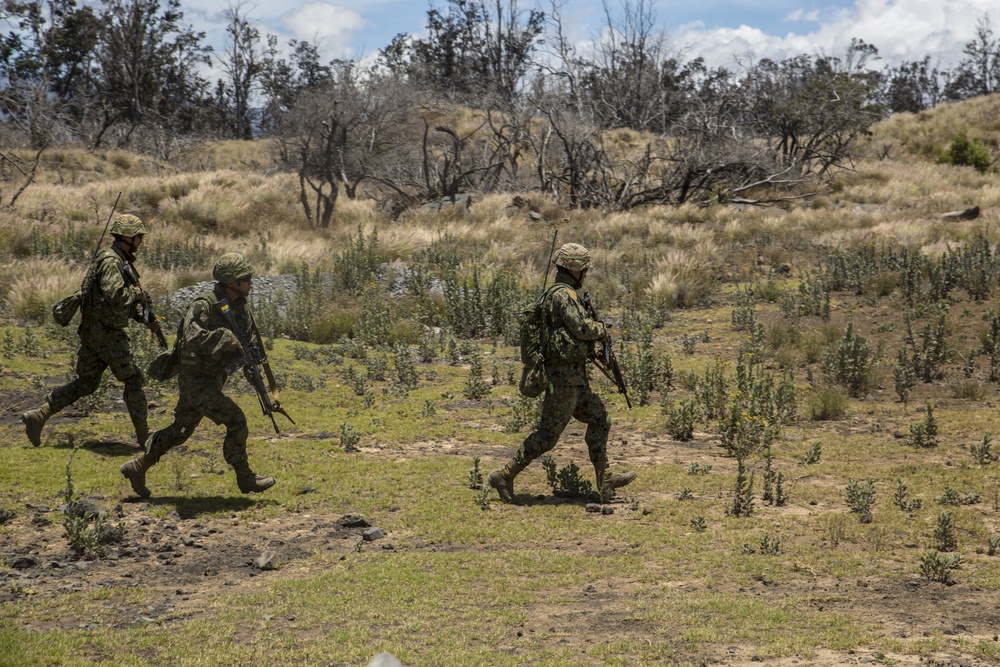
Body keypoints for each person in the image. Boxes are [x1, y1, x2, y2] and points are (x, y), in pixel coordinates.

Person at [488, 242, 637, 503]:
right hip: (564, 380)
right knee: (547, 436)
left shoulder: (562, 294)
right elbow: (581, 328)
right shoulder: (562, 295)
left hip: (574, 378)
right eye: (584, 270)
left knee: (601, 419)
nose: (586, 275)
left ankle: (606, 480)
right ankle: (505, 475)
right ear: (573, 269)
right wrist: (601, 329)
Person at [119, 252, 275, 498]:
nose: (250, 282)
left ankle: (138, 467)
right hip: (195, 380)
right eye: (246, 278)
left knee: (180, 431)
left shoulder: (239, 306)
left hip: (212, 378)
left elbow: (245, 340)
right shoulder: (204, 305)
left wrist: (249, 365)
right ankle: (245, 478)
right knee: (236, 420)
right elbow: (191, 339)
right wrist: (224, 338)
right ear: (231, 281)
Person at [22, 214, 158, 447]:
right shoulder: (112, 262)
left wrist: (145, 319)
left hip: (95, 332)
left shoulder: (118, 260)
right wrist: (137, 294)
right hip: (106, 334)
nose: (141, 240)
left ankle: (39, 415)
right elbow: (116, 296)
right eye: (138, 236)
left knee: (86, 383)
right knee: (134, 379)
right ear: (127, 237)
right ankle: (145, 438)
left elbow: (113, 303)